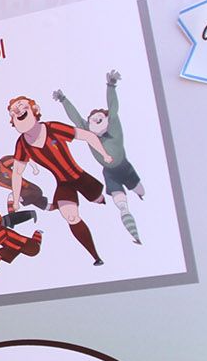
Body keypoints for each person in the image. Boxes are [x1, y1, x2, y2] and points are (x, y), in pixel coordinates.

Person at [6, 95, 112, 266]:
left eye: (21, 106)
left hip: (81, 177)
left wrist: (105, 154)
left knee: (100, 201)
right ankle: (96, 257)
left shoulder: (52, 128)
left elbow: (87, 136)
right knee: (71, 216)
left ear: (35, 110)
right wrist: (16, 199)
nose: (17, 111)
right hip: (63, 184)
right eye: (13, 112)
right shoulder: (22, 144)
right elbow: (17, 173)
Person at [53, 71, 145, 244]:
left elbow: (113, 106)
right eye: (91, 119)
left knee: (140, 190)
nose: (94, 119)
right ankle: (134, 234)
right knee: (121, 204)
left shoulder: (114, 126)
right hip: (109, 173)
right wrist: (63, 100)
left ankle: (140, 195)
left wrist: (111, 85)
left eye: (99, 117)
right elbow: (76, 118)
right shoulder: (89, 132)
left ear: (107, 119)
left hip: (124, 167)